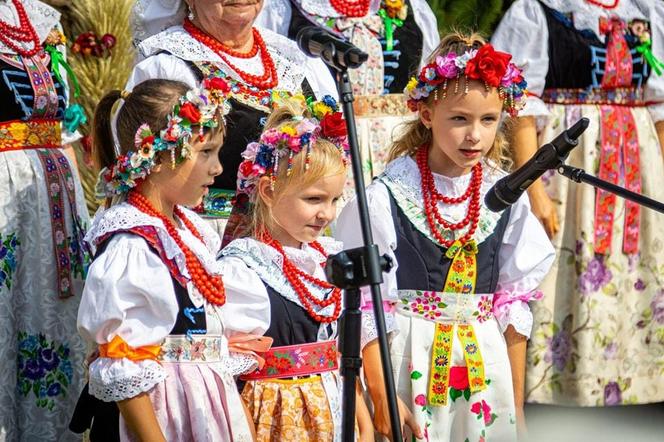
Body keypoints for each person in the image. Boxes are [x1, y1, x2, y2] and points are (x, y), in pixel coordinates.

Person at [337, 34, 555, 440]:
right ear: (426, 114)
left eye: (488, 120)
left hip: (485, 372)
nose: (475, 135)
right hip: (407, 362)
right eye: (459, 119)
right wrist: (382, 397)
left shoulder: (505, 196)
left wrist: (517, 410)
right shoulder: (387, 195)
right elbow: (366, 306)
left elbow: (513, 309)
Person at [72, 78, 265, 441]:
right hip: (163, 416)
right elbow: (124, 361)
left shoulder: (186, 230)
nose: (217, 168)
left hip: (202, 409)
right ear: (159, 156)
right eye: (205, 152)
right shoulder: (132, 244)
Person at [492, 0, 664, 406]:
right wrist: (532, 186)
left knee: (639, 267)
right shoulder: (539, 9)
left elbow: (660, 108)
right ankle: (549, 391)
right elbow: (520, 102)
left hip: (637, 162)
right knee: (558, 265)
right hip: (566, 161)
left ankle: (635, 385)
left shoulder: (647, 9)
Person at [218, 96, 374, 441]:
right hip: (279, 418)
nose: (327, 214)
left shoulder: (325, 259)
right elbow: (225, 376)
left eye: (334, 200)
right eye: (314, 199)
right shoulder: (243, 270)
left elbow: (342, 356)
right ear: (269, 191)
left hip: (335, 410)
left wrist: (362, 417)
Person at [128, 0, 338, 237]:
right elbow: (149, 182)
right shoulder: (167, 67)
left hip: (299, 239)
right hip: (211, 237)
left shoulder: (296, 60)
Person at [0, 0, 90, 439]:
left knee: (52, 320)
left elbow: (64, 122)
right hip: (3, 196)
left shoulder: (41, 20)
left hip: (56, 192)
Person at [257, 0, 439, 200]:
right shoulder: (282, 9)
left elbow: (428, 87)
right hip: (330, 145)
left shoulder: (414, 8)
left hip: (401, 145)